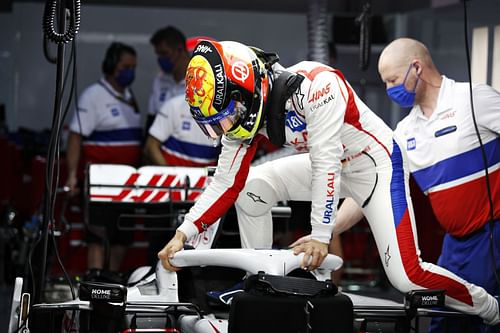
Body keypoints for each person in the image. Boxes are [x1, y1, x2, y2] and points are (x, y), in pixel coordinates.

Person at [157, 39, 499, 324]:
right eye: (216, 123)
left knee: (407, 277)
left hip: (376, 166)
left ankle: (490, 308)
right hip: (334, 162)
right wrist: (183, 233)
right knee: (251, 187)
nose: (225, 128)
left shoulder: (318, 85)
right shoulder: (243, 113)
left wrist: (321, 236)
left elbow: (326, 164)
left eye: (227, 115)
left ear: (250, 88)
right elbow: (226, 183)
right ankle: (259, 285)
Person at [379, 37, 499, 332]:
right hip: (453, 246)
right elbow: (373, 188)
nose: (388, 89)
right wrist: (326, 231)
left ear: (416, 68)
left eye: (392, 79)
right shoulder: (405, 131)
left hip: (492, 236)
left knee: (486, 321)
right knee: (441, 322)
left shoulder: (473, 98)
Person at [66, 42, 142, 272]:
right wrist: (71, 176)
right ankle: (95, 286)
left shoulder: (129, 96)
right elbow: (75, 137)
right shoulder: (93, 96)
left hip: (127, 186)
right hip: (100, 184)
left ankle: (112, 286)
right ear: (110, 65)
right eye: (125, 66)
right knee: (97, 240)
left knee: (121, 240)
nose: (130, 71)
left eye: (133, 67)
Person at [147, 26, 191, 130]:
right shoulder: (159, 81)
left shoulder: (202, 80)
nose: (161, 59)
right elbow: (151, 122)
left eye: (164, 53)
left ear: (180, 50)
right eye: (158, 54)